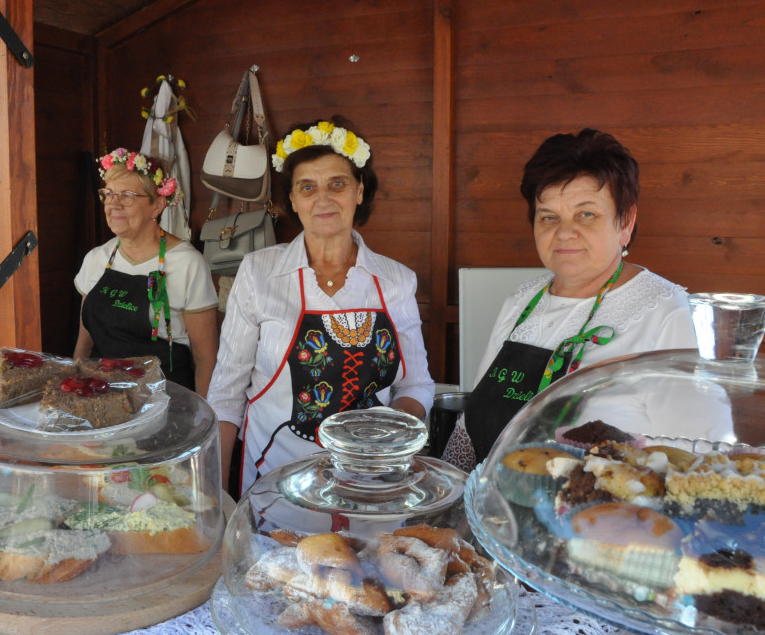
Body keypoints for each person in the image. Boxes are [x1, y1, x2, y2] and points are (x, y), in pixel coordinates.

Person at [442, 128, 698, 470]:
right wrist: (444, 496)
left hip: (600, 518)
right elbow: (471, 425)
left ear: (626, 222)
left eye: (586, 214)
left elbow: (695, 456)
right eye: (549, 217)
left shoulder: (666, 313)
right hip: (495, 512)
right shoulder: (521, 303)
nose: (564, 232)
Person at [207, 117, 435, 495]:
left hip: (371, 482)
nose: (324, 199)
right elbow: (227, 394)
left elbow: (416, 384)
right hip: (274, 477)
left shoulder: (395, 280)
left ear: (359, 191)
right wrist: (213, 493)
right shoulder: (259, 273)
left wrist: (383, 441)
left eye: (338, 184)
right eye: (308, 187)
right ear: (293, 200)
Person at [73, 148, 218, 396]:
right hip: (102, 394)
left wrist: (201, 418)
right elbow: (85, 342)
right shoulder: (96, 259)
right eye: (108, 194)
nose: (114, 204)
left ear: (157, 205)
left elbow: (205, 359)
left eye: (127, 195)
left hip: (164, 398)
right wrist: (75, 387)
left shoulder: (187, 263)